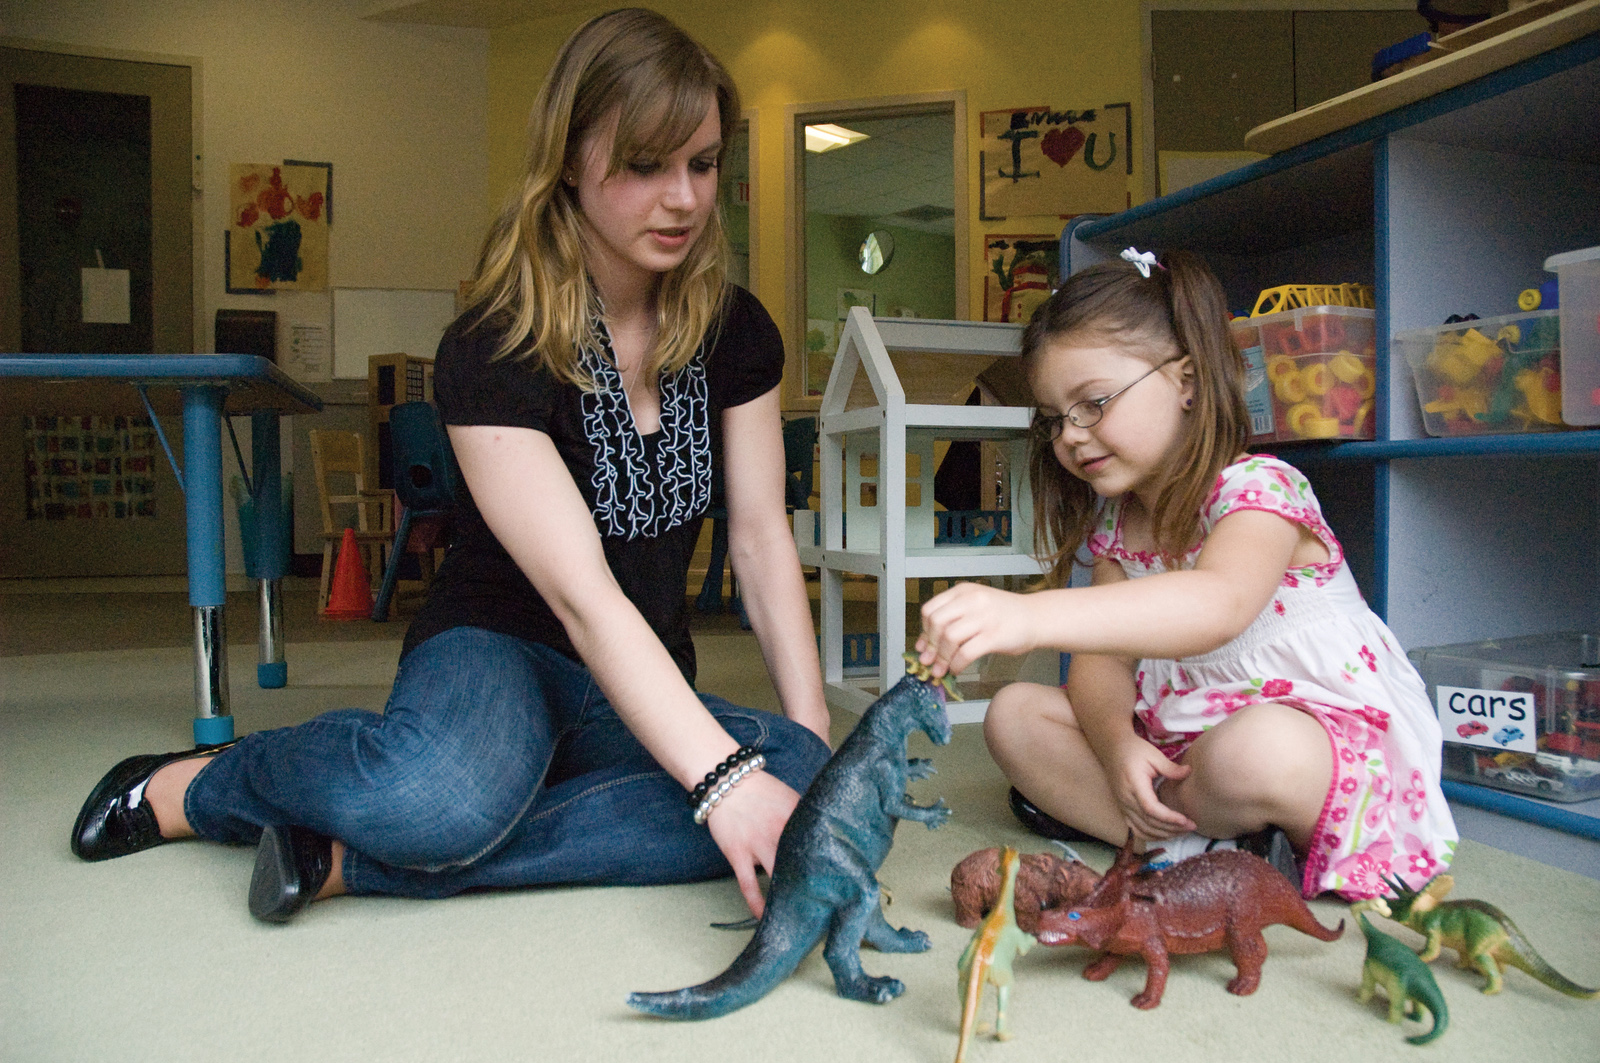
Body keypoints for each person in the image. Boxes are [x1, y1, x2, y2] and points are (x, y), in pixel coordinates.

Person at [70, 8, 832, 923]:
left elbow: (756, 537)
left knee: (791, 773)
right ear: (571, 159)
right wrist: (718, 777)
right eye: (643, 166)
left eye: (702, 165)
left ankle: (346, 863)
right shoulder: (496, 340)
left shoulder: (735, 330)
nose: (682, 198)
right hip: (500, 646)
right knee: (434, 802)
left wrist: (809, 741)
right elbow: (583, 595)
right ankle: (206, 784)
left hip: (640, 671)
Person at [915, 248, 1457, 899]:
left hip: (1309, 747)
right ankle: (1206, 845)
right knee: (1013, 714)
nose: (1071, 437)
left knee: (1252, 752)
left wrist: (1028, 615)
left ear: (1187, 380)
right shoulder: (1117, 527)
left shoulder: (1261, 489)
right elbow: (1100, 667)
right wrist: (1117, 748)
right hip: (1184, 750)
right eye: (1055, 419)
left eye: (1093, 403)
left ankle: (1186, 836)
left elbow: (1217, 602)